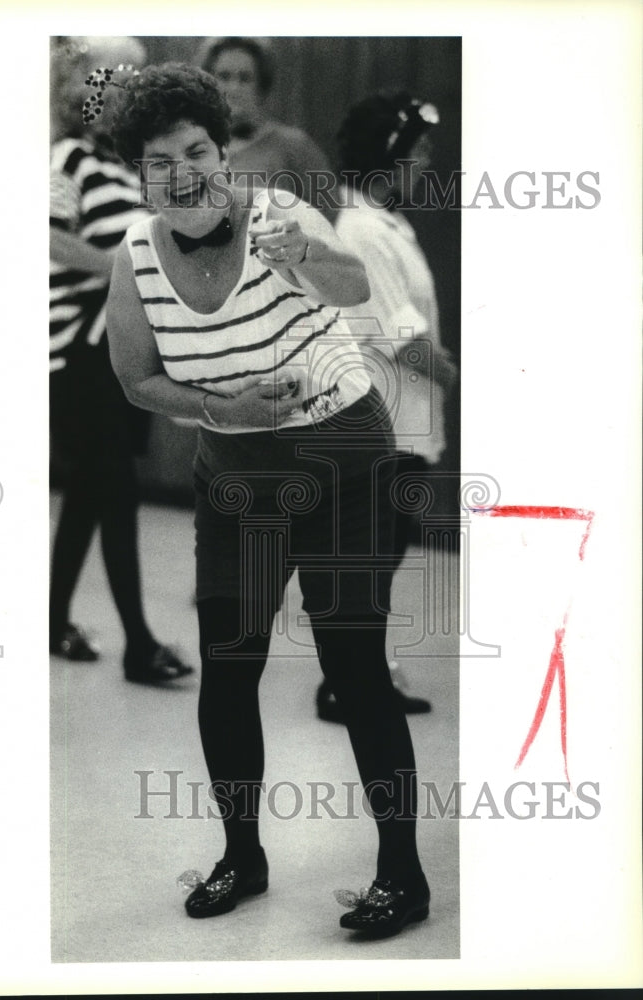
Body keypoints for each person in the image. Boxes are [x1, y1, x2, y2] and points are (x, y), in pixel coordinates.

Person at [105, 62, 431, 939]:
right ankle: (242, 856)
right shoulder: (134, 259)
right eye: (160, 162)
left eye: (197, 151)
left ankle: (403, 874)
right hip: (239, 474)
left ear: (221, 149)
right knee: (230, 666)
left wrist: (308, 257)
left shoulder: (276, 213)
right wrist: (222, 409)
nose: (184, 174)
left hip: (342, 460)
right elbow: (136, 377)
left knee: (355, 670)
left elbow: (355, 288)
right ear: (139, 175)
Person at [313, 92, 460, 724]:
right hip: (383, 425)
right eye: (417, 152)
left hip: (406, 424)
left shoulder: (383, 221)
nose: (425, 163)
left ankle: (364, 676)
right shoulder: (364, 230)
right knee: (368, 560)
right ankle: (346, 684)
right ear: (388, 157)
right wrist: (455, 374)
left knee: (379, 558)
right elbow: (399, 335)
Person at [49, 38, 192, 683]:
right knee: (116, 490)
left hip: (118, 349)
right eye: (95, 80)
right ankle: (139, 643)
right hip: (77, 349)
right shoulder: (67, 158)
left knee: (90, 492)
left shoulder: (121, 168)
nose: (107, 95)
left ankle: (52, 621)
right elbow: (45, 236)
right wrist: (124, 269)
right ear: (71, 88)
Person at [198, 36, 333, 210]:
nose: (234, 88)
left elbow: (327, 217)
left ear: (261, 85)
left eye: (245, 78)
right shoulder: (193, 147)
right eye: (224, 77)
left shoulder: (294, 147)